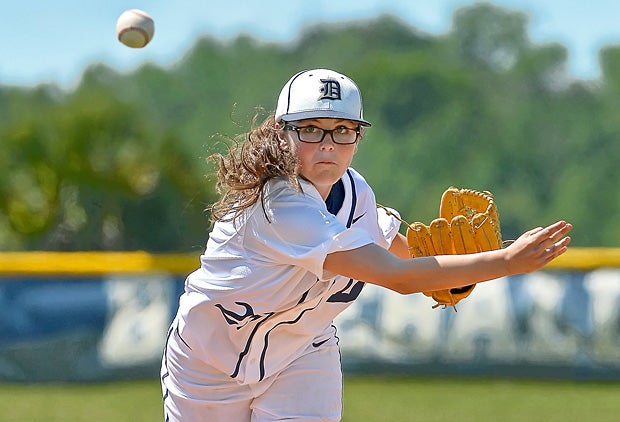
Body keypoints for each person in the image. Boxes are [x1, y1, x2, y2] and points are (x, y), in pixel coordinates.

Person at [160, 68, 572, 421]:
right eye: (310, 129)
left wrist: (453, 272)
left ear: (358, 138)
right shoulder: (280, 208)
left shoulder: (355, 191)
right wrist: (504, 261)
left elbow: (402, 253)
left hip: (302, 351)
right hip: (209, 362)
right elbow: (398, 277)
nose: (328, 144)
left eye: (342, 130)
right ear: (281, 134)